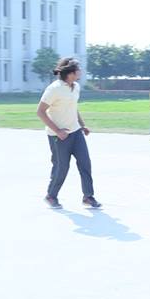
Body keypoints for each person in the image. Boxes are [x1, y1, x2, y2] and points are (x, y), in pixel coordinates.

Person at [37, 58, 101, 209]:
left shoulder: (76, 87)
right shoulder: (54, 89)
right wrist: (57, 131)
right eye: (79, 69)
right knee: (61, 167)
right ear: (71, 73)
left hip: (76, 132)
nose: (81, 72)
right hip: (58, 136)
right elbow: (40, 112)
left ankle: (88, 196)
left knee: (85, 163)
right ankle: (51, 196)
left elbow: (73, 108)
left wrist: (82, 125)